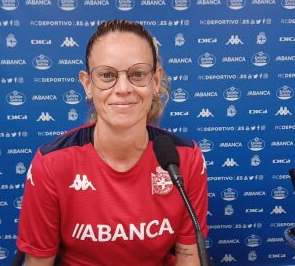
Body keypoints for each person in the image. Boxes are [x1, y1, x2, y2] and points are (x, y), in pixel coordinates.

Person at [17, 20, 208, 266]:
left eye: (137, 74)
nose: (123, 88)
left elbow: (189, 257)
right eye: (107, 75)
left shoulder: (186, 158)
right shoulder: (52, 163)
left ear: (155, 81)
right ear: (87, 84)